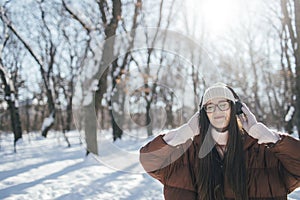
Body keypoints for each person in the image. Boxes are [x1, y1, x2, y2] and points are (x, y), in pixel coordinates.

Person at [139, 82, 300, 200]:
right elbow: (149, 161)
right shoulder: (188, 152)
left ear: (235, 109)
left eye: (223, 104)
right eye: (209, 106)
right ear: (203, 114)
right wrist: (180, 135)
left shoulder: (264, 151)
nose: (216, 111)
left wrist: (273, 139)